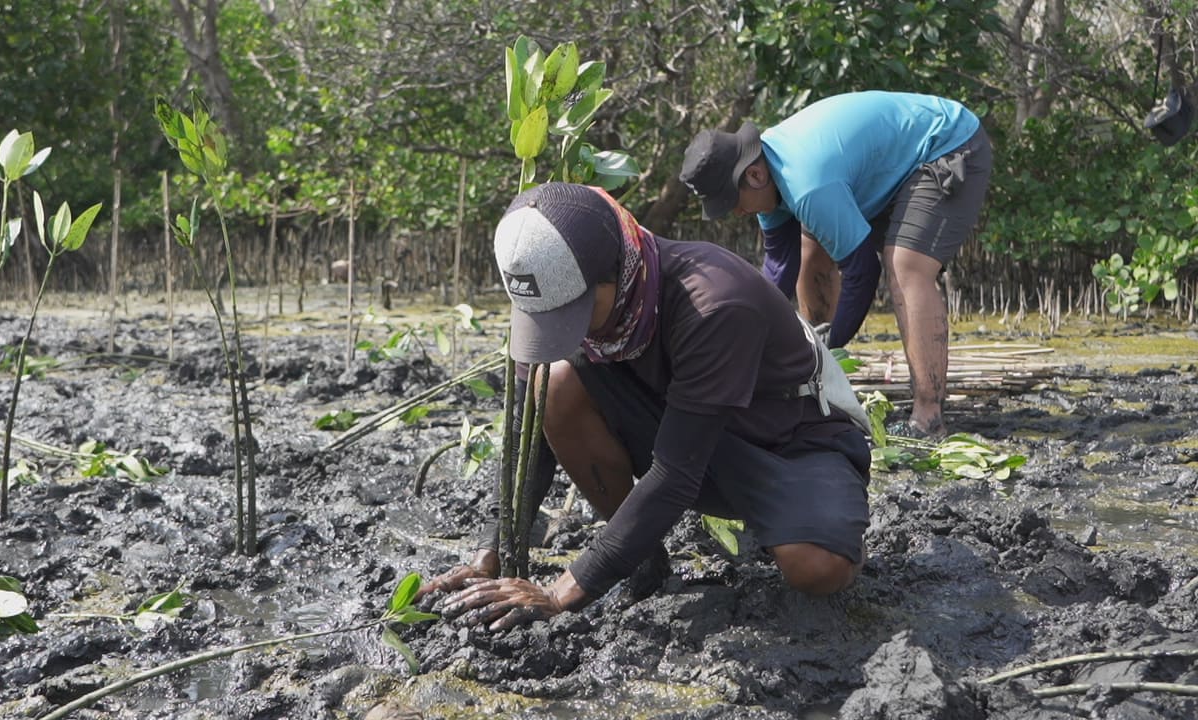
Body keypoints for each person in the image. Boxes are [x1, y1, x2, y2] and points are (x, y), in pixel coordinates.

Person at [418, 182, 870, 631]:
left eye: (572, 315)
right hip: (681, 429)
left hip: (789, 440)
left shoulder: (713, 301)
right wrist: (489, 553)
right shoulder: (556, 307)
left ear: (618, 271)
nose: (566, 335)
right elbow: (527, 440)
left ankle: (830, 526)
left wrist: (563, 592)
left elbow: (675, 473)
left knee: (816, 567)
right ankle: (643, 561)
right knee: (552, 383)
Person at [679, 91, 993, 438]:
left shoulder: (807, 184)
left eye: (733, 202)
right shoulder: (767, 174)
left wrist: (829, 349)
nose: (737, 213)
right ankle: (814, 384)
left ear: (753, 176)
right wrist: (744, 341)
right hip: (882, 166)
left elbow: (862, 271)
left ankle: (928, 419)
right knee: (811, 249)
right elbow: (780, 267)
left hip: (946, 143)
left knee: (905, 265)